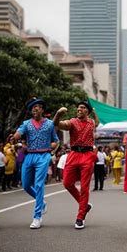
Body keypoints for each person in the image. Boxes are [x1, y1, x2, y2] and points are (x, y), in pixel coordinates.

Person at [12, 98, 59, 229]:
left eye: (37, 106)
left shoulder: (49, 124)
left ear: (42, 110)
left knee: (39, 185)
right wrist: (15, 137)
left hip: (43, 156)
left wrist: (51, 147)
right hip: (29, 155)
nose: (35, 109)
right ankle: (42, 203)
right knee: (26, 185)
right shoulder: (26, 123)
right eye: (33, 107)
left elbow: (56, 140)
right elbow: (18, 133)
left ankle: (37, 216)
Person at [53, 101, 99, 229]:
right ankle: (85, 205)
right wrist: (58, 114)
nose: (79, 109)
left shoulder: (91, 122)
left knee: (84, 187)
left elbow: (98, 122)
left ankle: (80, 217)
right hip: (73, 154)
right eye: (78, 107)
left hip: (87, 155)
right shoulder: (72, 122)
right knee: (67, 183)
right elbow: (58, 124)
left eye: (83, 108)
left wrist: (95, 114)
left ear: (87, 112)